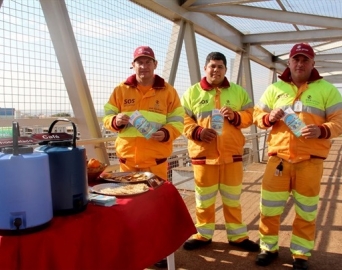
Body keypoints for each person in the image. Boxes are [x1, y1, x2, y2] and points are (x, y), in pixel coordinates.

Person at [253, 43, 342, 270]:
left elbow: (339, 121)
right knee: (269, 208)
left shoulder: (327, 90)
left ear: (313, 63)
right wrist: (269, 117)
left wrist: (322, 130)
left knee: (306, 209)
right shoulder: (275, 89)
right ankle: (268, 248)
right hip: (279, 159)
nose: (300, 64)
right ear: (289, 62)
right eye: (296, 59)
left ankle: (300, 254)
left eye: (305, 60)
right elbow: (257, 115)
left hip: (310, 161)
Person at [102, 45, 184, 268]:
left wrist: (166, 132)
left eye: (148, 61)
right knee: (128, 211)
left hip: (155, 163)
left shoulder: (168, 91)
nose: (144, 65)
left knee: (154, 211)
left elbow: (179, 121)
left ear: (155, 65)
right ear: (133, 64)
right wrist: (115, 121)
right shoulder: (121, 90)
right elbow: (107, 115)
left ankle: (157, 252)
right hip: (126, 164)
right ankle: (132, 249)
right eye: (140, 61)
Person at [181, 52, 259, 252]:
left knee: (233, 199)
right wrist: (197, 131)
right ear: (206, 68)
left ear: (225, 70)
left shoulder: (238, 92)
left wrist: (235, 116)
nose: (216, 70)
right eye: (212, 66)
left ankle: (238, 237)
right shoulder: (192, 93)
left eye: (220, 66)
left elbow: (251, 115)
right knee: (203, 200)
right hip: (203, 156)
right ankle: (203, 234)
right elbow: (182, 119)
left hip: (231, 155)